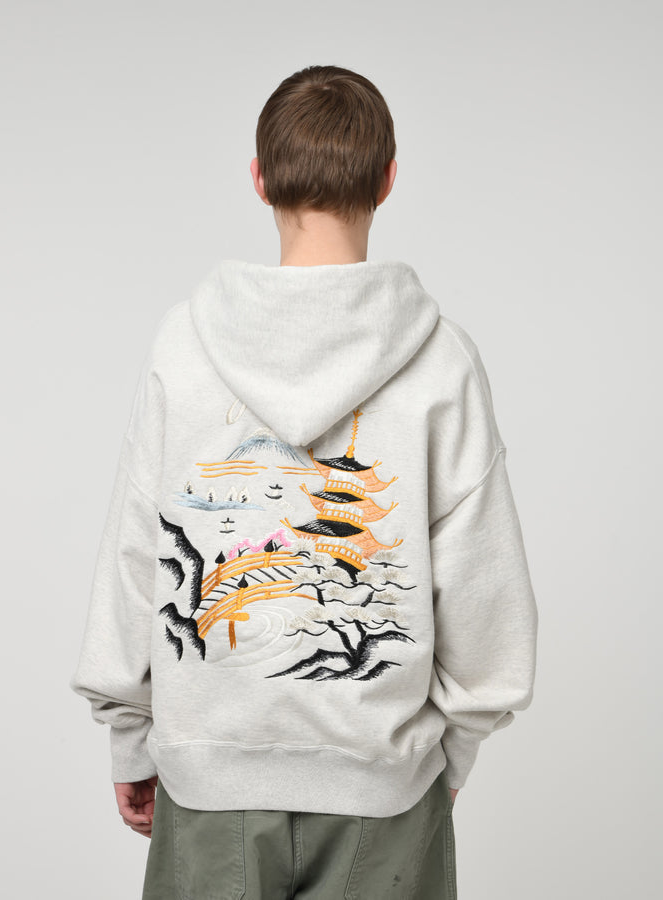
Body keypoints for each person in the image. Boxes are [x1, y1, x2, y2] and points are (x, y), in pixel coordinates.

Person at [70, 64, 538, 900]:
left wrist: (130, 735)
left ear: (260, 179)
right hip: (385, 793)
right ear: (387, 180)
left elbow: (140, 550)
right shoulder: (443, 361)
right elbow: (484, 585)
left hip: (209, 788)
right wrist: (452, 754)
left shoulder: (183, 345)